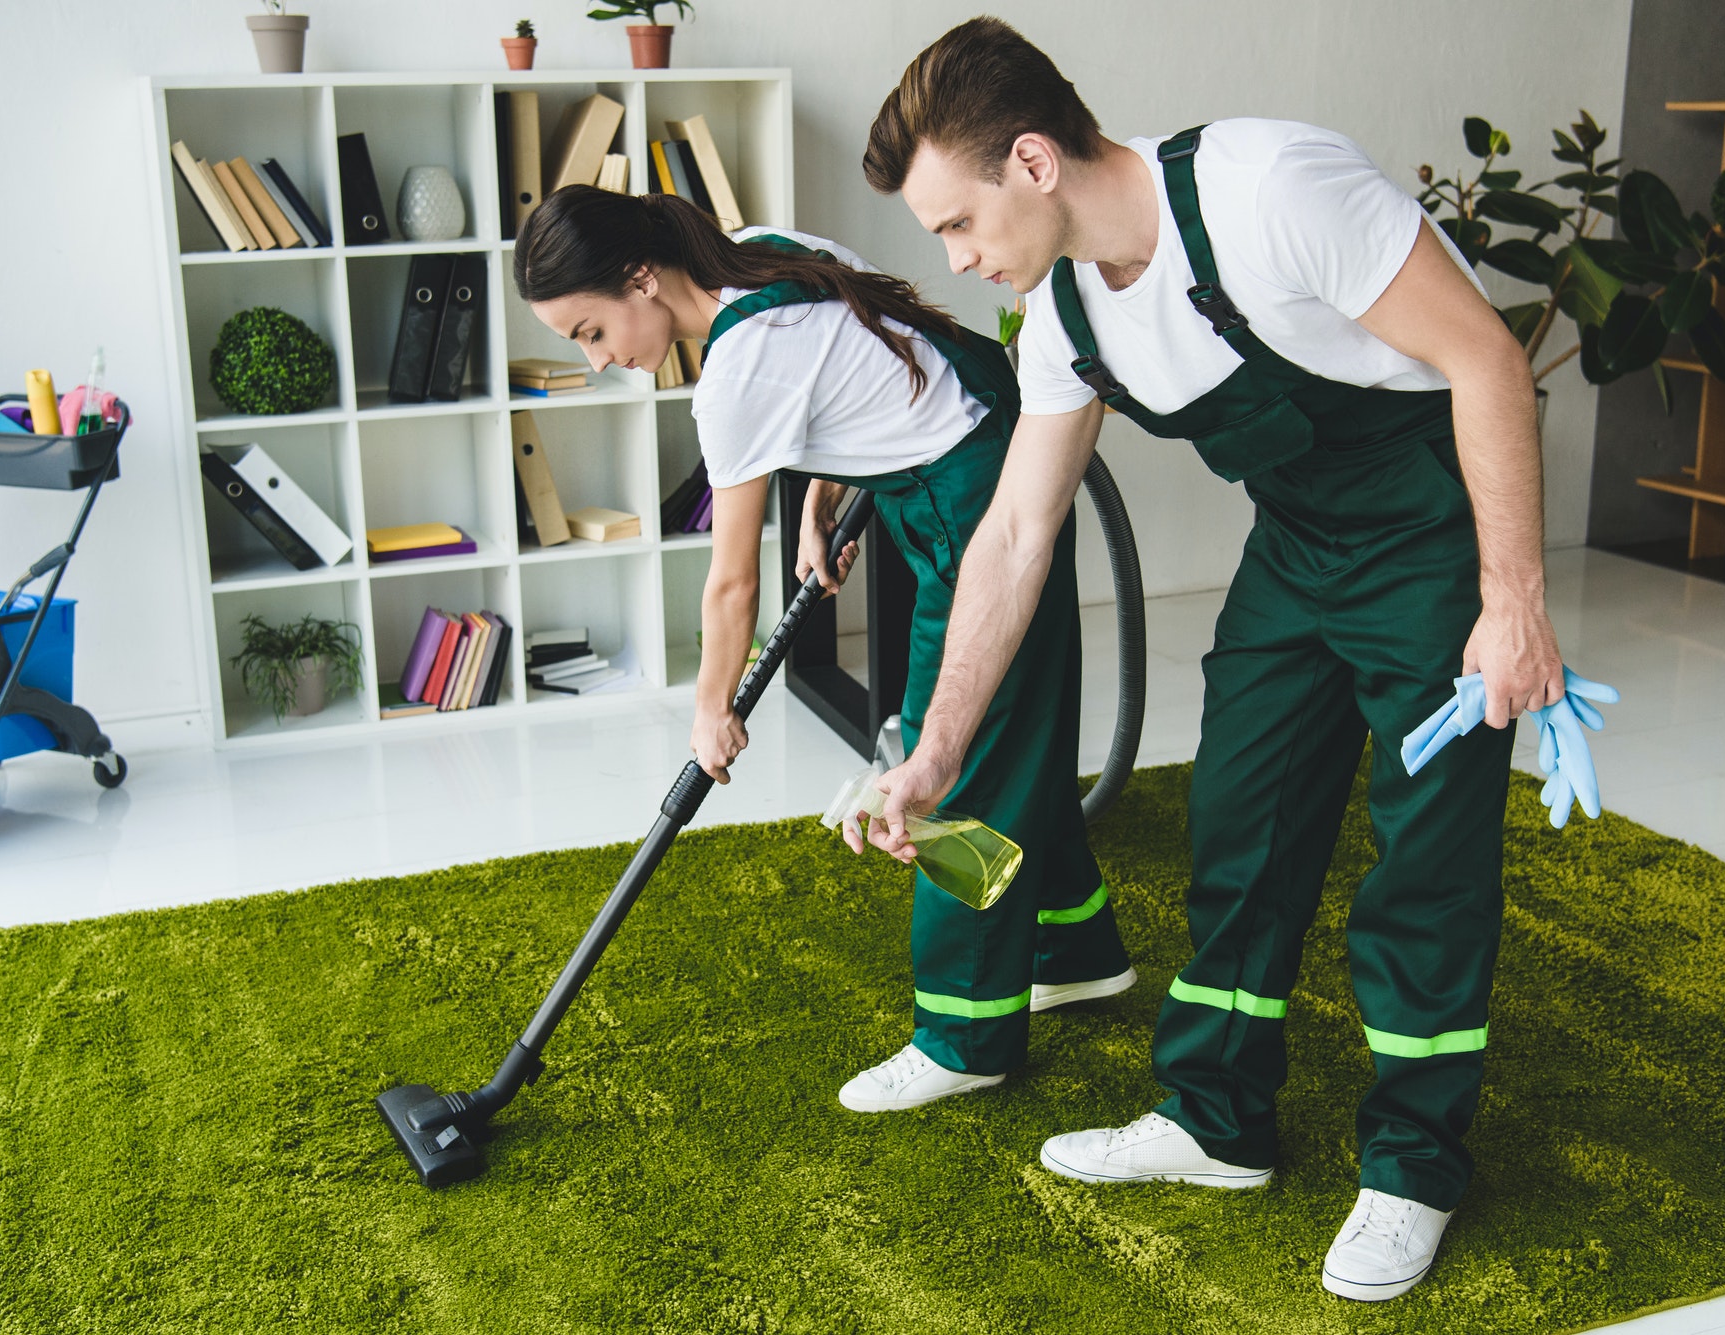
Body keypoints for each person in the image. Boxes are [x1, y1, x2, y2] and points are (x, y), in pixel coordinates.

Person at [860, 17, 1569, 1302]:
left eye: (955, 225)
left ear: (1030, 161)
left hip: (1428, 531)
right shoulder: (1067, 307)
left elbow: (1485, 359)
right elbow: (1016, 532)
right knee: (1237, 820)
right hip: (1296, 545)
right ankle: (1213, 1121)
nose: (956, 262)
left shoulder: (1267, 190)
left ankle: (1410, 1167)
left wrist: (1509, 600)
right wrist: (937, 751)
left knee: (1426, 862)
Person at [513, 186, 1135, 1111]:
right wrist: (825, 492)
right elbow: (866, 359)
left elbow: (731, 584)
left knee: (954, 764)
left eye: (591, 332)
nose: (601, 359)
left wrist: (709, 710)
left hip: (974, 504)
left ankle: (964, 1036)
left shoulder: (731, 373)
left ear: (641, 281)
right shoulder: (760, 252)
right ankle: (1077, 952)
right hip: (969, 459)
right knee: (1019, 739)